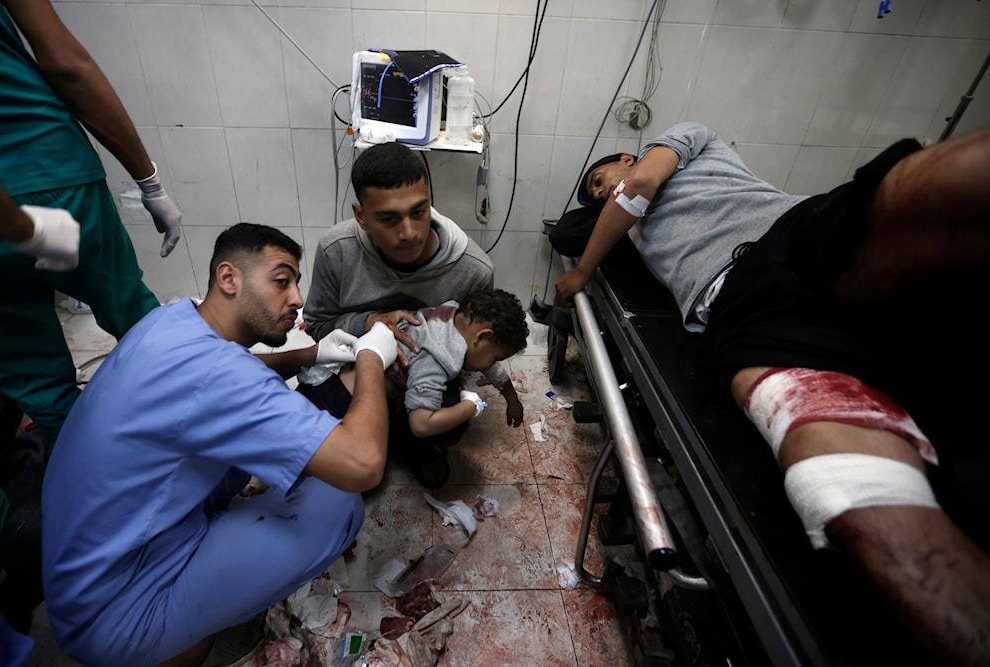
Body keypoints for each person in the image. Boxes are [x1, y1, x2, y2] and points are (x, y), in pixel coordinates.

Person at [555, 121, 990, 665]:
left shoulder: (685, 141)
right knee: (836, 481)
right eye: (595, 194)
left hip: (793, 233)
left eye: (601, 178)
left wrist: (583, 272)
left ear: (625, 154)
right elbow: (570, 232)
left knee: (908, 193)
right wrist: (600, 230)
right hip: (739, 300)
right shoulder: (624, 231)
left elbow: (640, 181)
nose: (603, 192)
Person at [40, 223, 398, 667]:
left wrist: (312, 354)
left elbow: (234, 369)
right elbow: (363, 463)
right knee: (339, 502)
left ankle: (188, 616)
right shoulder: (218, 376)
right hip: (114, 615)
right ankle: (172, 646)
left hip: (85, 572)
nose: (298, 299)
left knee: (239, 460)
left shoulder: (170, 320)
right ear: (229, 279)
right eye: (282, 281)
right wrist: (371, 358)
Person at [0, 0, 183, 443]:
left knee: (35, 373)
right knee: (135, 317)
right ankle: (185, 444)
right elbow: (66, 63)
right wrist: (148, 181)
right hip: (52, 168)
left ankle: (99, 475)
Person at [302, 140, 497, 483]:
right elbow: (317, 324)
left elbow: (473, 351)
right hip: (355, 369)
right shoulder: (338, 250)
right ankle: (376, 434)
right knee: (309, 418)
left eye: (418, 212)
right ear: (361, 216)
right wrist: (369, 323)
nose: (408, 233)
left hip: (424, 376)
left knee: (450, 422)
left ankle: (413, 443)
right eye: (389, 219)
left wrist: (432, 370)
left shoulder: (473, 270)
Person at [301, 288, 528, 488]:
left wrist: (511, 398)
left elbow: (489, 366)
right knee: (352, 480)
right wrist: (471, 406)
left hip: (328, 380)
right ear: (483, 336)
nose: (491, 364)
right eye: (495, 357)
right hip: (337, 409)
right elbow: (421, 424)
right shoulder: (439, 359)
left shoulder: (451, 314)